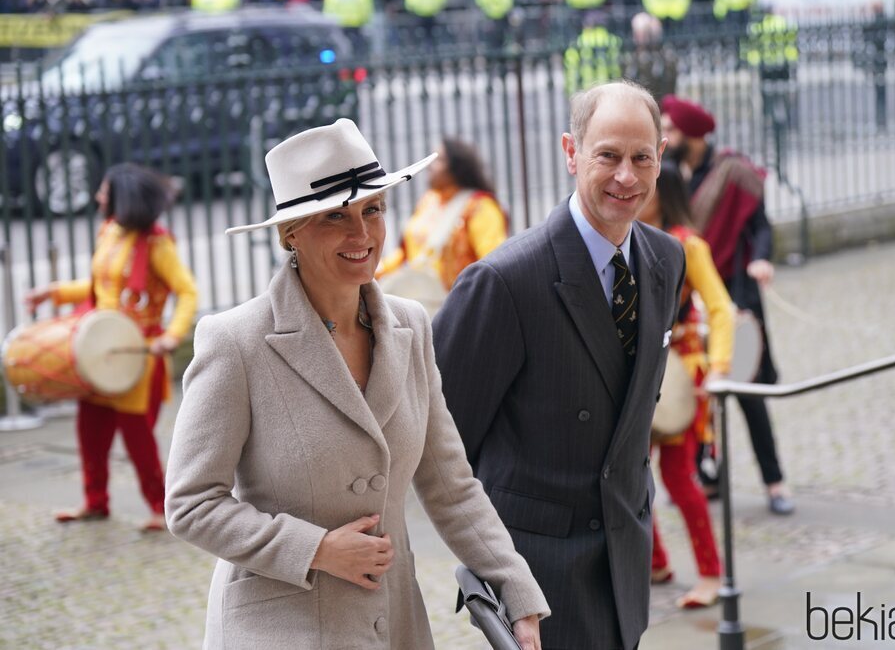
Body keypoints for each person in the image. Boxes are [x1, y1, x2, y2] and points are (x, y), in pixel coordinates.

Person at [164, 119, 549, 650]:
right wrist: (315, 548)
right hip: (278, 628)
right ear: (289, 233)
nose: (362, 235)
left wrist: (516, 590)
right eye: (334, 218)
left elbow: (451, 483)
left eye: (372, 210)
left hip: (393, 626)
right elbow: (191, 504)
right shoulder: (235, 342)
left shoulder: (411, 327)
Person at [432, 82, 686, 650]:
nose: (627, 176)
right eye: (608, 156)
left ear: (661, 157)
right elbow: (441, 443)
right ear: (571, 152)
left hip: (624, 563)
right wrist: (490, 566)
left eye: (641, 157)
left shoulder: (667, 259)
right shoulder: (504, 281)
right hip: (537, 581)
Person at [25, 163, 198, 532]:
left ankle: (159, 507)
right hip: (99, 349)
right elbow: (97, 284)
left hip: (136, 354)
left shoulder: (156, 242)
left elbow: (187, 291)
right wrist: (52, 292)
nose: (97, 197)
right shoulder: (109, 230)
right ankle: (95, 501)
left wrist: (172, 336)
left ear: (122, 197)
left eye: (103, 191)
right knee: (90, 429)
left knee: (137, 437)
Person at [659, 94, 795, 515]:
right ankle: (710, 476)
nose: (664, 135)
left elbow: (760, 226)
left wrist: (760, 258)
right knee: (700, 395)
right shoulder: (669, 173)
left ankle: (775, 483)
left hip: (734, 293)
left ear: (694, 135)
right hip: (689, 301)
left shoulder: (732, 171)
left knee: (746, 392)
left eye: (671, 129)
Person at [638, 162, 732, 609]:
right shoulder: (625, 235)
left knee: (677, 476)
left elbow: (721, 308)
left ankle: (712, 574)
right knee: (631, 475)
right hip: (638, 373)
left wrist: (719, 367)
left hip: (680, 376)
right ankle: (656, 561)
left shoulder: (687, 243)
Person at [377, 137, 507, 293]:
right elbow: (406, 255)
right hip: (421, 299)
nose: (431, 166)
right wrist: (376, 271)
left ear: (457, 168)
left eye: (440, 160)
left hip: (458, 302)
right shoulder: (428, 200)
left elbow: (494, 263)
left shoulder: (480, 206)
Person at [624, 12, 678, 101]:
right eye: (636, 33)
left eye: (640, 34)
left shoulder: (664, 56)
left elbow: (666, 85)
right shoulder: (632, 57)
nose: (635, 38)